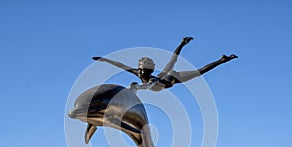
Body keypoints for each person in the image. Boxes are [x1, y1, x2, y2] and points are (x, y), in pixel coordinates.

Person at [92, 37, 238, 92]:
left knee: (197, 72)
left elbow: (149, 84)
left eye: (144, 71)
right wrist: (105, 60)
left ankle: (222, 60)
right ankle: (183, 42)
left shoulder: (152, 79)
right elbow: (121, 65)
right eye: (141, 70)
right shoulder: (138, 72)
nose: (141, 73)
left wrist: (136, 87)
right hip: (164, 76)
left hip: (170, 79)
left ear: (150, 70)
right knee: (171, 64)